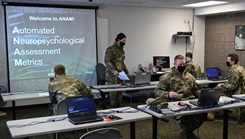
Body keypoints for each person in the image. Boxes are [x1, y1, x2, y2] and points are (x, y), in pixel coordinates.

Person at [153, 54, 206, 139]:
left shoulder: (190, 76)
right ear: (174, 64)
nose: (182, 66)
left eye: (183, 64)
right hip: (175, 103)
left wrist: (204, 94)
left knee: (203, 113)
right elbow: (157, 91)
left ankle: (186, 132)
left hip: (190, 102)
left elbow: (195, 90)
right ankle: (188, 134)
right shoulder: (168, 77)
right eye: (180, 65)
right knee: (184, 116)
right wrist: (168, 94)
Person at [216, 53, 245, 123]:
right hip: (239, 89)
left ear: (233, 61)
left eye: (228, 60)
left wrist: (222, 85)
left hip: (239, 92)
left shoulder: (236, 71)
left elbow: (232, 87)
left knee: (217, 93)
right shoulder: (239, 67)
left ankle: (240, 117)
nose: (226, 61)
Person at [104, 33, 130, 108]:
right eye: (123, 40)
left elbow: (122, 62)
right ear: (118, 40)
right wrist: (113, 70)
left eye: (125, 41)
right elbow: (107, 61)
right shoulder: (111, 49)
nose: (124, 42)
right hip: (112, 74)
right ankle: (113, 107)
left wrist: (126, 72)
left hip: (120, 73)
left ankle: (119, 106)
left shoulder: (121, 50)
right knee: (114, 91)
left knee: (120, 90)